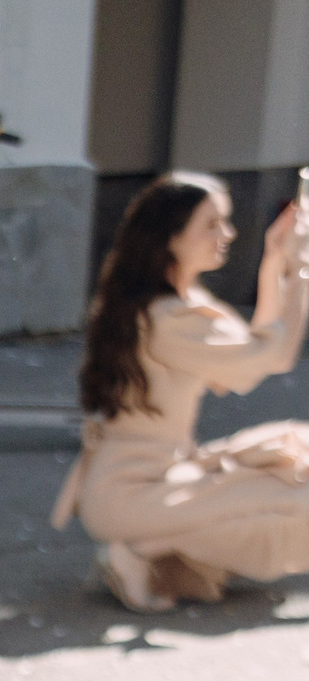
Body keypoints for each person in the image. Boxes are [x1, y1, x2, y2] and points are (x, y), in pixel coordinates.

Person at [55, 171, 309, 611]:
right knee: (295, 498)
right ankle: (145, 548)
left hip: (160, 479)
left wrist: (274, 263)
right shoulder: (168, 318)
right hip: (134, 495)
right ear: (171, 237)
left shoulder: (174, 304)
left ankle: (152, 555)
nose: (227, 234)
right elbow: (275, 356)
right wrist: (300, 266)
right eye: (212, 224)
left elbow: (248, 361)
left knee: (294, 457)